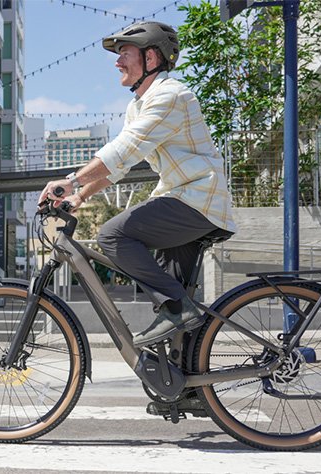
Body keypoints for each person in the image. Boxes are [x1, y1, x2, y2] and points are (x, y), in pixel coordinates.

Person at [39, 21, 237, 348]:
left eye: (125, 53)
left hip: (196, 200)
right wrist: (79, 196)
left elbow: (125, 149)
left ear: (151, 58)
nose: (117, 62)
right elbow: (120, 165)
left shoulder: (171, 95)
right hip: (184, 201)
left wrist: (70, 180)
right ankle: (183, 395)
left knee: (113, 235)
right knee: (171, 321)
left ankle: (177, 307)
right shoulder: (138, 105)